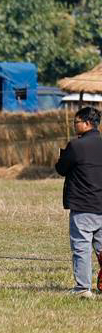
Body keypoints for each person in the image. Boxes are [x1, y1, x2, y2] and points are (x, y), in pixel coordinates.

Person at [54, 105, 102, 297]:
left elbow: (61, 169)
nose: (74, 125)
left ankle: (83, 288)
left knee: (81, 247)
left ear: (87, 123)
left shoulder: (76, 146)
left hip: (83, 205)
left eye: (76, 122)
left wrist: (61, 156)